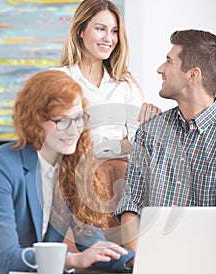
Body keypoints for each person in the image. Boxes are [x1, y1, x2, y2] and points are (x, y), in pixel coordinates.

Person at [0, 70, 135, 274]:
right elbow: (4, 257)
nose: (74, 131)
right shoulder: (3, 165)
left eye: (79, 118)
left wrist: (136, 262)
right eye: (61, 120)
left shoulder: (71, 166)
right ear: (33, 120)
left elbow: (91, 243)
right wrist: (72, 260)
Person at [52, 0, 160, 238]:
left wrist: (149, 126)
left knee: (126, 174)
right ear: (80, 31)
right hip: (76, 177)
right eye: (100, 29)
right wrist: (115, 144)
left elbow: (136, 144)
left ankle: (132, 257)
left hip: (119, 180)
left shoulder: (127, 85)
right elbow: (59, 142)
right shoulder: (60, 79)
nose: (109, 39)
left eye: (114, 32)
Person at [115, 29, 216, 251]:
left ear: (192, 76)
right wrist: (141, 261)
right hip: (146, 264)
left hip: (206, 269)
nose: (160, 69)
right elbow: (131, 205)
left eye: (169, 61)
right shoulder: (150, 132)